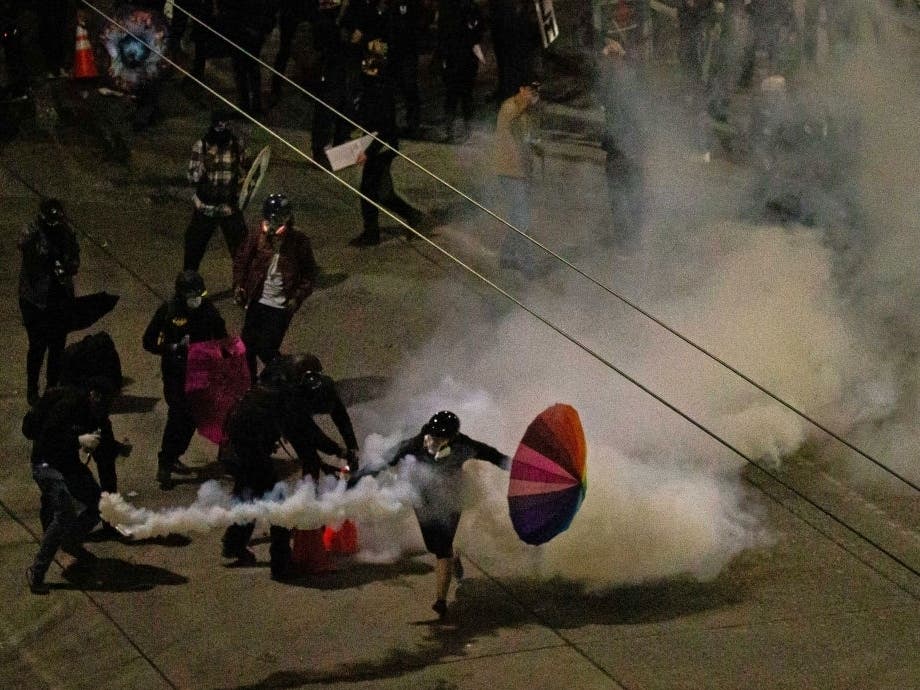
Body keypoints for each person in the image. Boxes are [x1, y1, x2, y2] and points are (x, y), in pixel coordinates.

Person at [353, 410, 508, 618]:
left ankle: (440, 601)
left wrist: (520, 468)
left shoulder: (464, 446)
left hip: (451, 500)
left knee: (442, 548)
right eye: (434, 435)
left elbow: (494, 456)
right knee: (433, 546)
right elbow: (383, 461)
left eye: (441, 437)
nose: (435, 440)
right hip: (423, 500)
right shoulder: (415, 444)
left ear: (452, 437)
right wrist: (357, 478)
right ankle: (454, 557)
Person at [23, 377, 123, 594]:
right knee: (65, 512)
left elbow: (103, 442)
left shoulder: (97, 413)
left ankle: (69, 540)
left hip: (68, 463)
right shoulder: (68, 404)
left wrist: (116, 448)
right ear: (93, 395)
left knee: (100, 505)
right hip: (45, 463)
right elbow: (47, 439)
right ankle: (37, 572)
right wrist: (78, 440)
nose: (106, 408)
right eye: (104, 402)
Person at [142, 270, 227, 489]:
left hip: (200, 373)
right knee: (177, 415)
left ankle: (174, 455)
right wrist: (172, 348)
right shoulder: (169, 311)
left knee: (192, 417)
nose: (196, 299)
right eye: (191, 295)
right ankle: (165, 463)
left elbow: (222, 337)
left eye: (199, 294)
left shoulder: (208, 310)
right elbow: (148, 341)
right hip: (176, 374)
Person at [347, 19, 427, 247]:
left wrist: (368, 152)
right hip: (379, 143)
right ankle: (412, 215)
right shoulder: (373, 87)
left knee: (368, 189)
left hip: (381, 146)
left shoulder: (380, 91)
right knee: (383, 191)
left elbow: (383, 129)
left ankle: (371, 233)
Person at [233, 194, 318, 380]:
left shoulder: (299, 241)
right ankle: (250, 383)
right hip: (257, 299)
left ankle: (286, 378)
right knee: (247, 346)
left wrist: (296, 298)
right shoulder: (258, 235)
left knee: (267, 349)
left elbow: (309, 273)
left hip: (280, 306)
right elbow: (242, 259)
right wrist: (239, 285)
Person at [218, 383, 293, 579]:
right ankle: (281, 565)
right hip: (253, 460)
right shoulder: (276, 406)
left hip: (239, 459)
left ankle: (233, 546)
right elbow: (305, 435)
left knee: (247, 501)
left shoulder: (251, 403)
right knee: (280, 511)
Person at [18, 199, 80, 407]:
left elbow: (75, 260)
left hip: (59, 297)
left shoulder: (67, 233)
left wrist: (67, 267)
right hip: (35, 299)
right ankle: (32, 388)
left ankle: (52, 387)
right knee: (37, 345)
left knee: (57, 346)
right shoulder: (33, 231)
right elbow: (23, 245)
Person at [184, 109, 248, 272]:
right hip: (206, 207)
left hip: (229, 207)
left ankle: (243, 284)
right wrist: (206, 163)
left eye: (225, 125)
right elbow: (192, 177)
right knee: (193, 251)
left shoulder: (236, 145)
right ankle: (189, 283)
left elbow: (243, 172)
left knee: (243, 254)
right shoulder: (202, 146)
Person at [599, 38, 645, 252]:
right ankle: (634, 238)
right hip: (629, 147)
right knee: (631, 193)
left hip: (621, 149)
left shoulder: (617, 82)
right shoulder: (629, 78)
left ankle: (627, 241)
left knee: (619, 196)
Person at [492, 80, 542, 274]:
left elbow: (526, 137)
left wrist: (535, 146)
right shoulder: (510, 107)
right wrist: (526, 103)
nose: (533, 94)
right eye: (530, 90)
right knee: (522, 218)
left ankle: (507, 256)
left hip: (522, 171)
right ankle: (528, 264)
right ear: (521, 89)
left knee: (516, 217)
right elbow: (511, 119)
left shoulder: (527, 112)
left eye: (536, 91)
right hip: (509, 172)